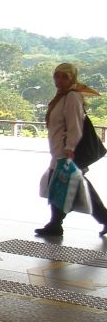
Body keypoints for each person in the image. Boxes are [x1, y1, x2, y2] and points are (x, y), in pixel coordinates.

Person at [35, 62, 107, 237]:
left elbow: (75, 126)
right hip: (59, 150)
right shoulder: (61, 96)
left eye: (64, 77)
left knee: (64, 184)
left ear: (72, 78)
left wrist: (70, 148)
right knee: (66, 184)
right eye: (57, 76)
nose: (59, 80)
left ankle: (55, 224)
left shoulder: (72, 97)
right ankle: (56, 224)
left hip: (66, 151)